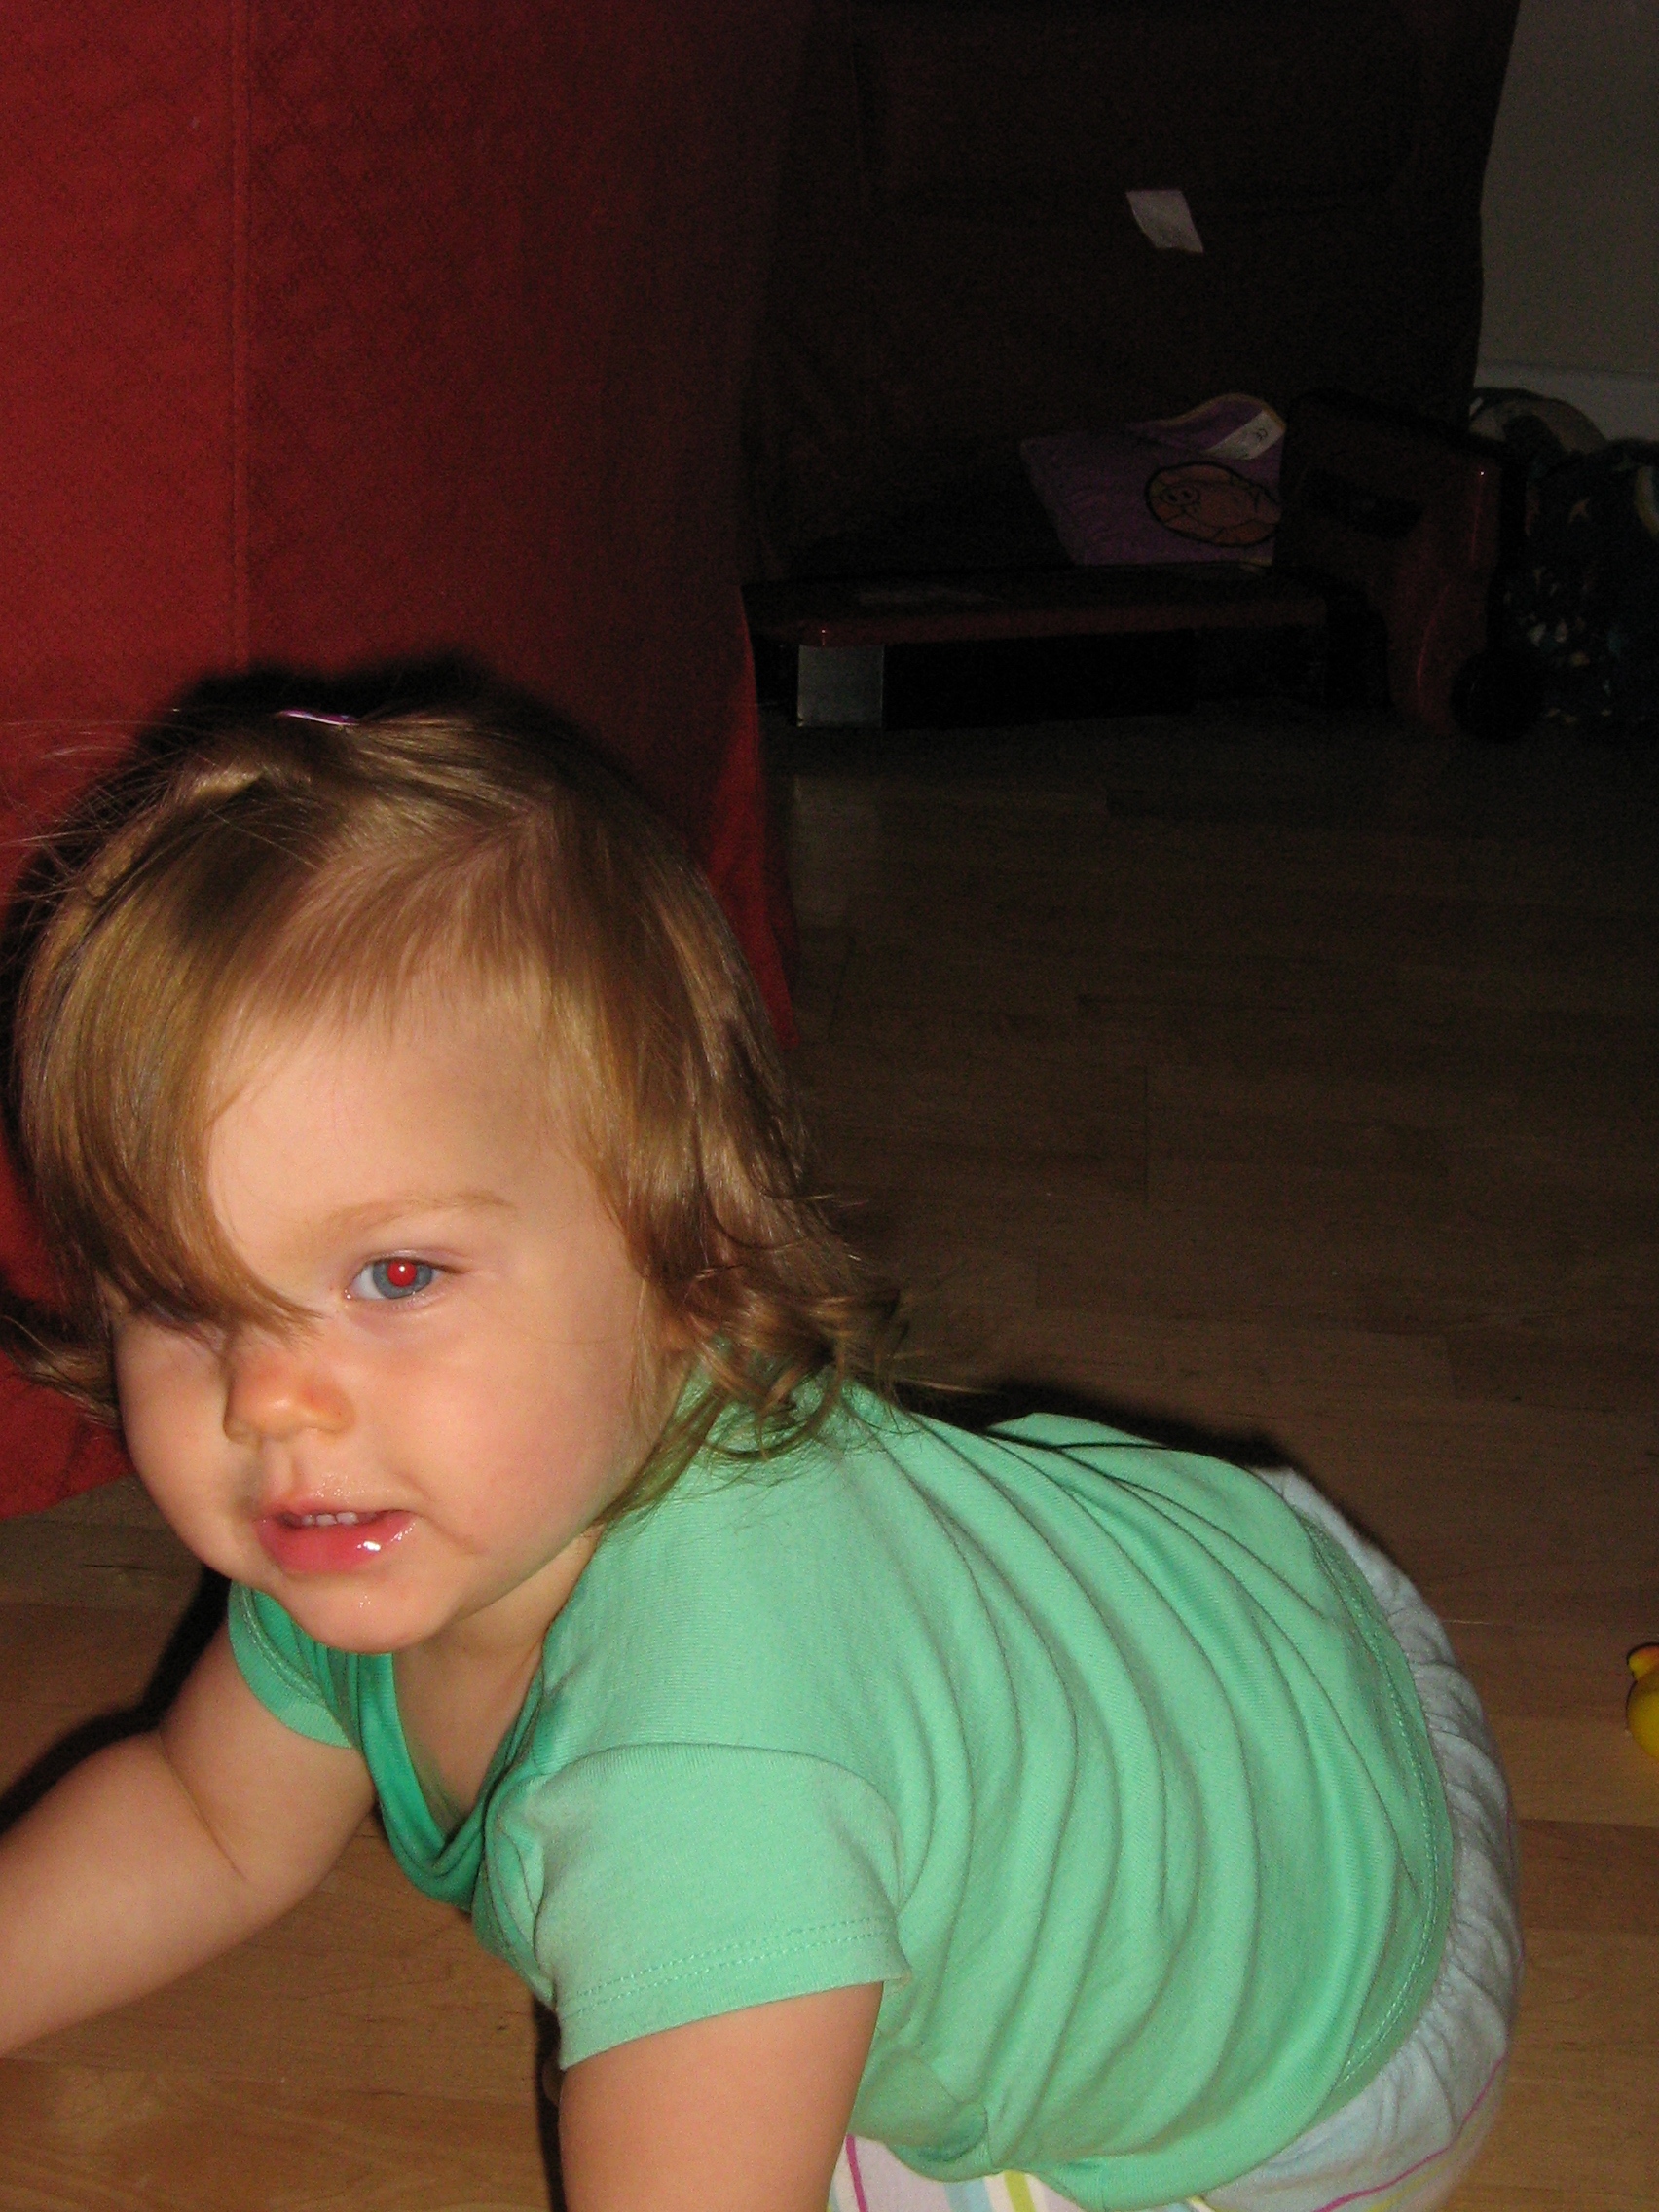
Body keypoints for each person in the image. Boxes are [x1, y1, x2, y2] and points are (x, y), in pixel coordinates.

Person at [0, 692, 1519, 2212]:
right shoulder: (377, 1497)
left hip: (1321, 2026)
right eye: (178, 1298)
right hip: (1265, 1615)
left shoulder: (711, 1776)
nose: (269, 1402)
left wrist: (693, 1976)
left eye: (396, 1277)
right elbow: (207, 1820)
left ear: (690, 1263)